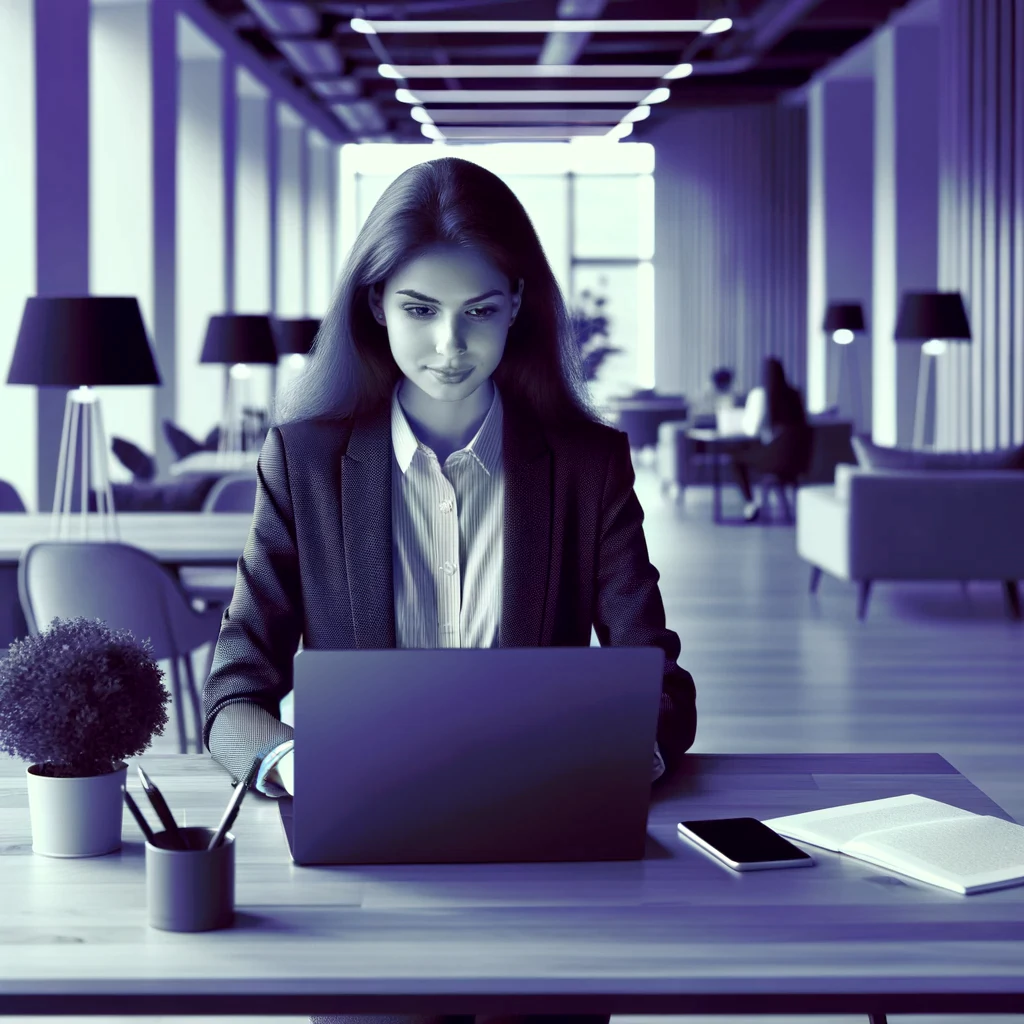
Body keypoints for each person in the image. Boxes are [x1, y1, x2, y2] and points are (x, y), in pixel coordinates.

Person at [201, 155, 698, 1024]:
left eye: (479, 314)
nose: (450, 346)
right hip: (368, 873)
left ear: (517, 307)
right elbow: (233, 692)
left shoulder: (588, 464)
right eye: (419, 311)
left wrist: (617, 763)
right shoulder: (306, 460)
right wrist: (297, 765)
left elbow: (657, 680)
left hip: (548, 867)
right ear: (375, 307)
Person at [729, 357, 812, 522]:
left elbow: (752, 430)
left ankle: (750, 503)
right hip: (798, 460)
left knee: (736, 457)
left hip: (776, 458)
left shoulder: (763, 396)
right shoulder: (795, 395)